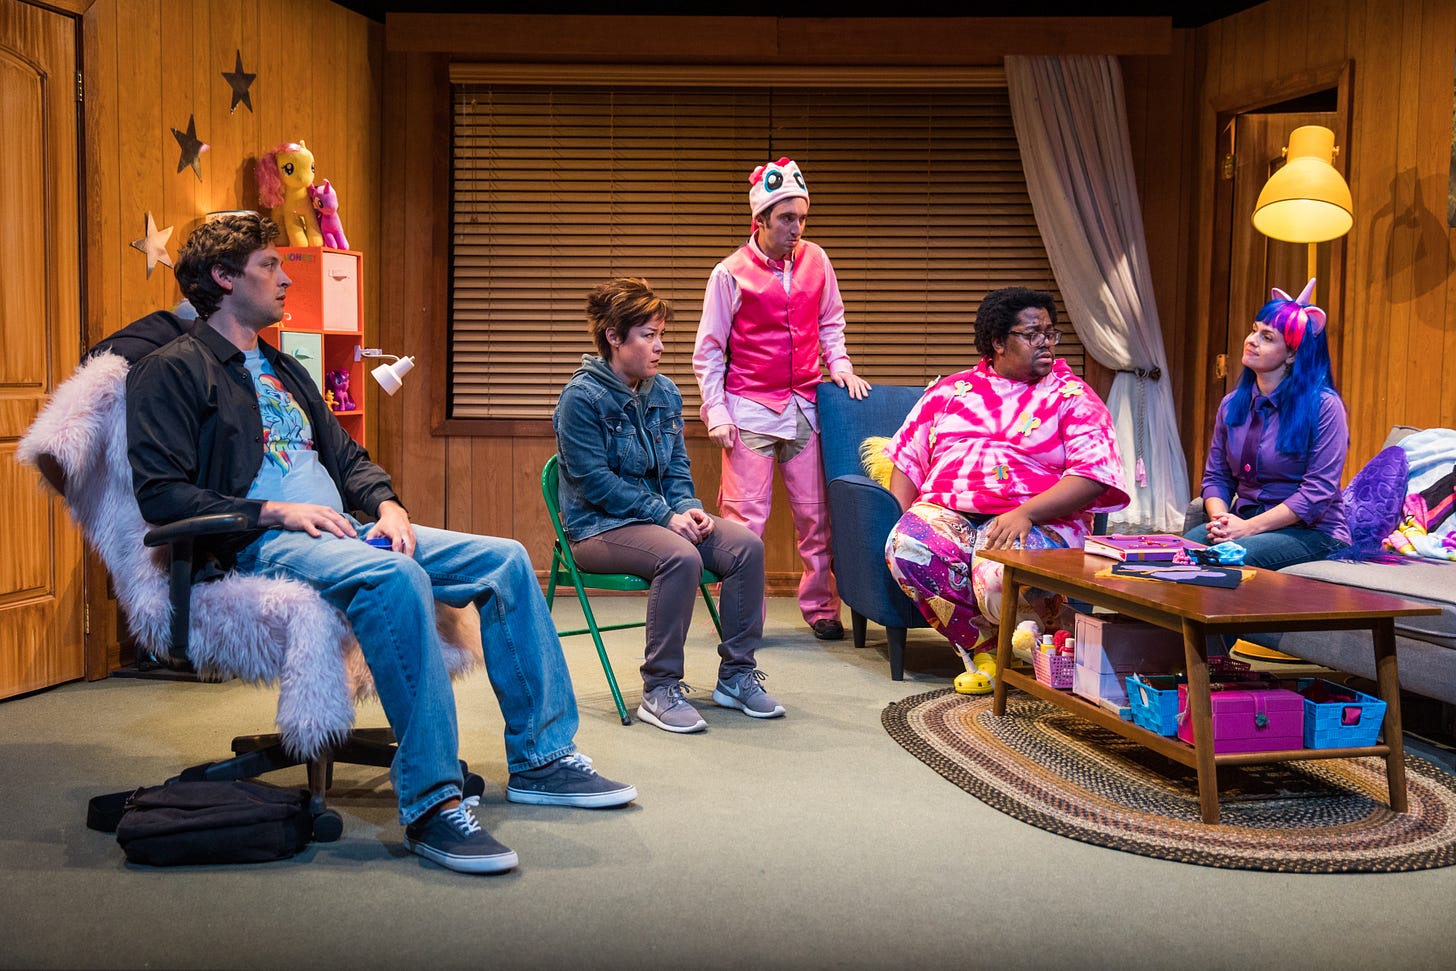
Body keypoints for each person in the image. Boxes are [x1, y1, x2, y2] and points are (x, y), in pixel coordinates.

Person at [125, 213, 635, 876]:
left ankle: (542, 758)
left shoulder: (283, 367)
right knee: (397, 580)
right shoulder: (171, 371)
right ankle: (430, 804)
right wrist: (274, 509)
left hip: (345, 527)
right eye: (269, 267)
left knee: (506, 559)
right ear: (224, 278)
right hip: (259, 541)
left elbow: (347, 455)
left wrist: (388, 504)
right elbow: (161, 494)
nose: (285, 278)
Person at [554, 279, 778, 733]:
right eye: (647, 335)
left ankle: (735, 676)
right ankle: (659, 689)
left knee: (746, 547)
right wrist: (664, 516)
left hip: (660, 517)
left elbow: (676, 465)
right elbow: (594, 482)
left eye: (660, 335)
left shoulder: (665, 392)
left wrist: (688, 507)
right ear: (614, 338)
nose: (658, 347)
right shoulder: (580, 399)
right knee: (680, 556)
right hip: (597, 527)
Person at [883, 287, 1129, 694]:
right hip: (948, 512)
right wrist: (905, 520)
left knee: (996, 578)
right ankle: (986, 649)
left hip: (1037, 518)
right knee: (906, 547)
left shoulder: (1073, 397)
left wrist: (1026, 513)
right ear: (998, 342)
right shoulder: (948, 393)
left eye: (1051, 333)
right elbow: (907, 461)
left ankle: (1045, 628)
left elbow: (1094, 475)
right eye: (1033, 334)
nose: (1046, 344)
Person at [692, 157, 871, 641]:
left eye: (802, 218)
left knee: (817, 517)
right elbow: (709, 350)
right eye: (787, 218)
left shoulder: (818, 260)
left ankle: (820, 607)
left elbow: (831, 322)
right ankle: (743, 618)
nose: (797, 228)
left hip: (805, 408)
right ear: (761, 220)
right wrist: (716, 412)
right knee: (743, 524)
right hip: (749, 409)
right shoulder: (729, 274)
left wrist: (841, 367)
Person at [1186, 279, 1349, 568]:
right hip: (1246, 522)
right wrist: (1222, 520)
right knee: (1180, 551)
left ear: (1293, 354)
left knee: (1224, 558)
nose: (1251, 340)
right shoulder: (1231, 404)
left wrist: (1247, 529)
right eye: (1254, 330)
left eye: (1267, 337)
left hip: (1311, 532)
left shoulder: (1325, 407)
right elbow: (1217, 478)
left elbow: (1316, 493)